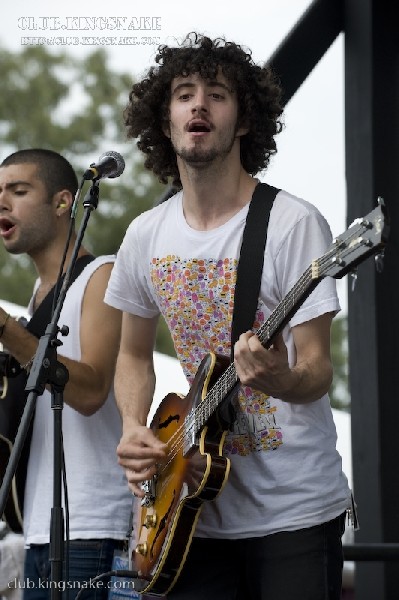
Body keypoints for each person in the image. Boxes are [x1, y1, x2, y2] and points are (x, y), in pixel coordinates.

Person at [104, 33, 352, 600]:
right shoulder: (146, 233)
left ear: (243, 121)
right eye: (184, 95)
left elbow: (317, 370)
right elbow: (132, 354)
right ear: (164, 122)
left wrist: (281, 379)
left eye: (216, 95)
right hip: (188, 512)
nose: (198, 105)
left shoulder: (292, 222)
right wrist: (133, 430)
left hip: (294, 510)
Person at [0, 149, 132, 598]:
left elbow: (92, 389)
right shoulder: (38, 298)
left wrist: (5, 330)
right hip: (36, 527)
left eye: (18, 191)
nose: (2, 202)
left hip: (92, 526)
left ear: (62, 203)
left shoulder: (101, 276)